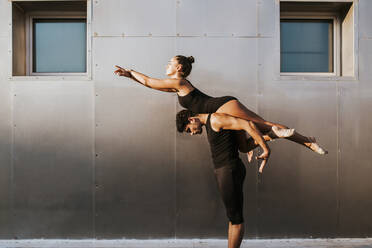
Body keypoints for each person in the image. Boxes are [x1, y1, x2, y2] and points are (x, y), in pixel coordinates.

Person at [114, 55, 327, 159]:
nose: (166, 66)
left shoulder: (178, 82)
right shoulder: (177, 87)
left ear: (178, 68)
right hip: (222, 109)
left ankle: (307, 142)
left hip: (223, 106)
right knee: (247, 143)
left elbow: (151, 82)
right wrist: (131, 76)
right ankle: (284, 136)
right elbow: (152, 86)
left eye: (169, 63)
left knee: (263, 124)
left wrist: (130, 72)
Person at [176, 109, 271, 248]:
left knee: (236, 220)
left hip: (229, 170)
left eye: (189, 129)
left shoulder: (215, 119)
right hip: (226, 171)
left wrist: (266, 149)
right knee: (233, 218)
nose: (192, 133)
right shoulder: (210, 122)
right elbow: (237, 131)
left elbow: (247, 124)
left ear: (191, 120)